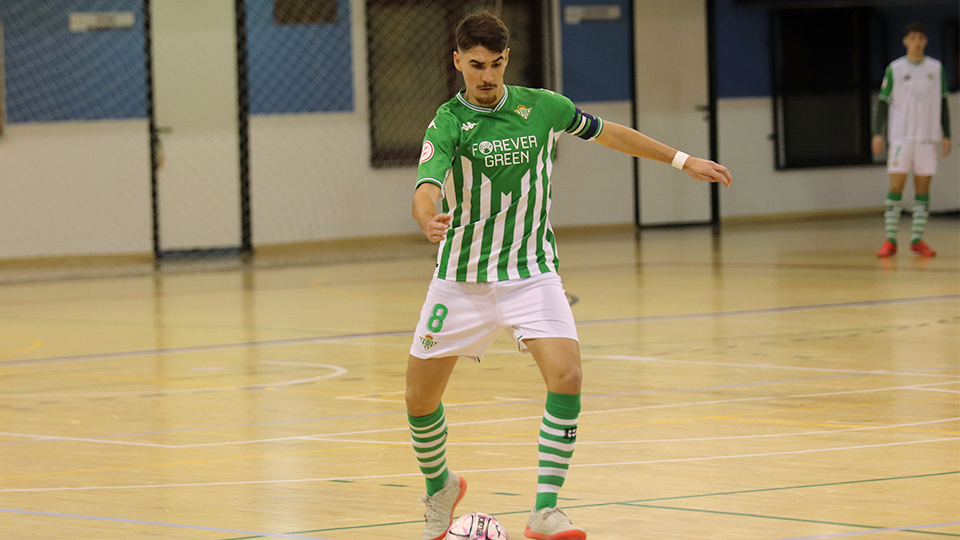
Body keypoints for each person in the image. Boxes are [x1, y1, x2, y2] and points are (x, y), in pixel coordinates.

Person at [406, 12, 732, 540]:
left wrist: (681, 159)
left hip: (531, 270)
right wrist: (428, 217)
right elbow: (427, 183)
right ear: (457, 62)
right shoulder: (447, 121)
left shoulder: (543, 106)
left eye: (494, 65)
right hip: (462, 276)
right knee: (419, 400)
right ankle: (440, 486)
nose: (486, 77)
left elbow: (609, 135)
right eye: (475, 66)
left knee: (569, 376)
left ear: (507, 59)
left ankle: (545, 510)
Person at [872, 22, 951, 258]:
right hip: (901, 137)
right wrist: (878, 132)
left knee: (923, 189)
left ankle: (917, 240)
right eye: (913, 38)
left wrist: (946, 134)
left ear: (925, 41)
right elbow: (884, 103)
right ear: (905, 41)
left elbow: (944, 102)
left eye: (921, 38)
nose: (917, 42)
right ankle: (890, 240)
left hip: (927, 138)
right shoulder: (895, 69)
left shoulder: (936, 69)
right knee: (896, 186)